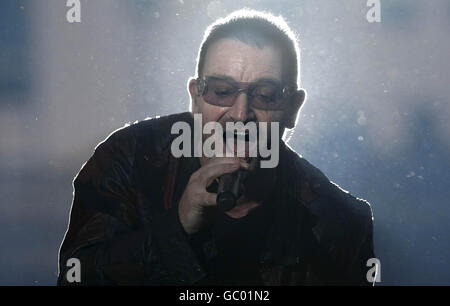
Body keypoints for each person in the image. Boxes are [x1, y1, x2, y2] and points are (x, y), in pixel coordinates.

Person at [58, 9, 375, 286]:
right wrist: (177, 229)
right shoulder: (130, 159)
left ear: (293, 108)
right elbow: (77, 275)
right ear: (196, 98)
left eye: (265, 96)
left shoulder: (337, 221)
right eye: (222, 92)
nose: (240, 114)